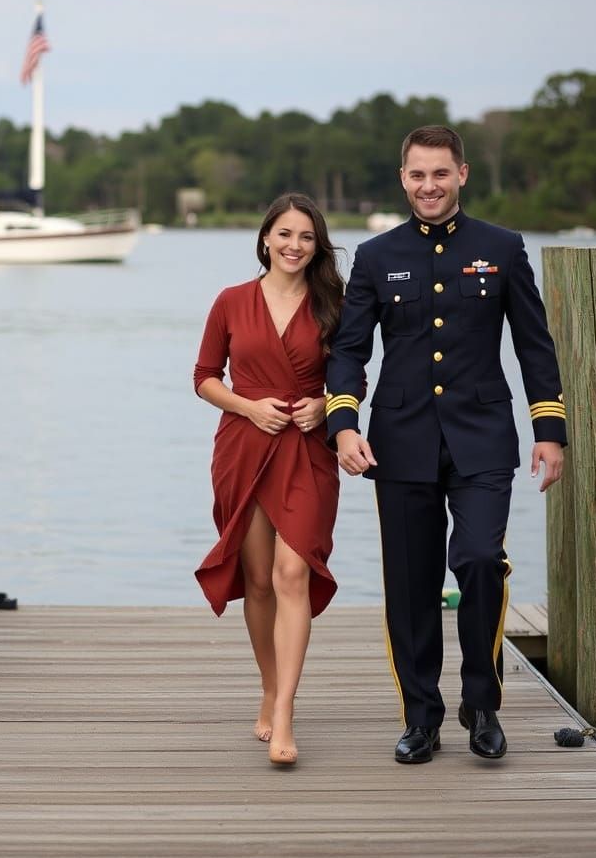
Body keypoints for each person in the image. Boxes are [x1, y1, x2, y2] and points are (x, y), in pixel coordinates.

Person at [326, 125, 566, 764]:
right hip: (400, 444)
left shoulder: (503, 248)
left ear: (462, 174)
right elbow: (350, 350)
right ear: (402, 179)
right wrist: (344, 423)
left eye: (439, 173)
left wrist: (549, 431)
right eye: (416, 175)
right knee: (410, 585)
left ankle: (482, 703)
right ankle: (421, 718)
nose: (428, 186)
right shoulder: (376, 257)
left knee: (482, 560)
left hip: (483, 438)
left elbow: (533, 345)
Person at [194, 193, 343, 766]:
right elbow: (205, 377)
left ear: (316, 245)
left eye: (305, 237)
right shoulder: (231, 301)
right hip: (243, 448)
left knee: (291, 572)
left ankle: (284, 713)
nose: (294, 245)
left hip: (307, 453)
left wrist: (325, 406)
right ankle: (268, 685)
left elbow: (353, 375)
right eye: (284, 234)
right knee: (256, 579)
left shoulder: (334, 303)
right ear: (265, 240)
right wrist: (248, 407)